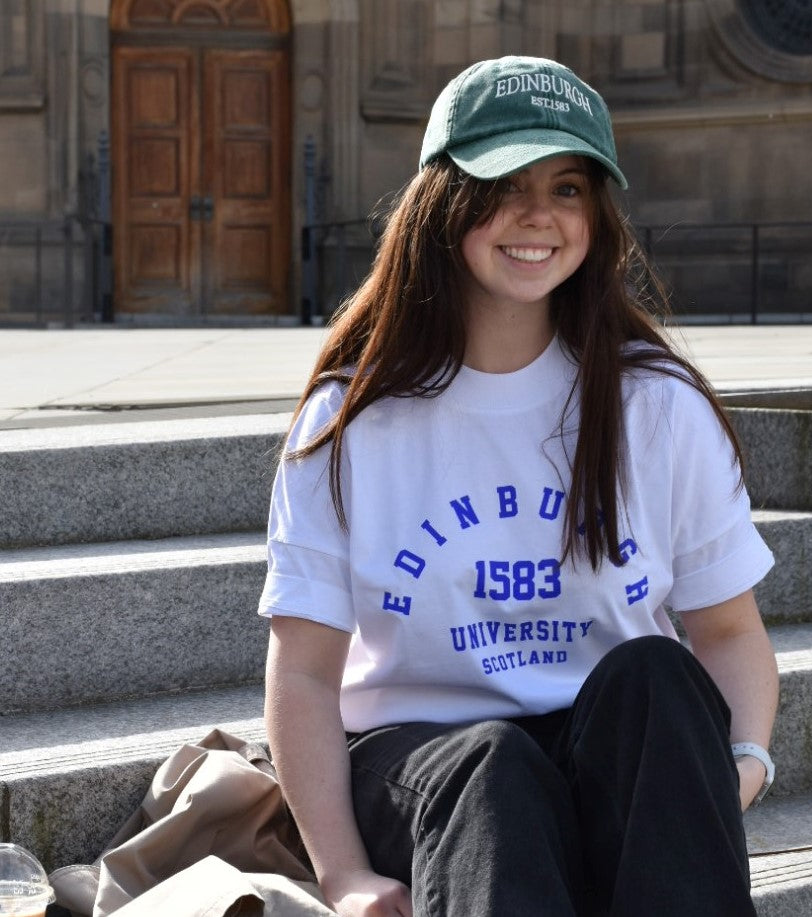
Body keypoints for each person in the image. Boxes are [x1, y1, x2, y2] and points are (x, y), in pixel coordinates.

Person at [259, 55, 779, 917]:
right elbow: (306, 672)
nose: (538, 214)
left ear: (597, 213)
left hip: (603, 746)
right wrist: (344, 874)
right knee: (495, 763)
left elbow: (725, 629)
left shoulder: (657, 404)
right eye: (505, 182)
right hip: (425, 764)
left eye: (567, 186)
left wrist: (746, 759)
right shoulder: (351, 419)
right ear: (443, 202)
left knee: (655, 672)